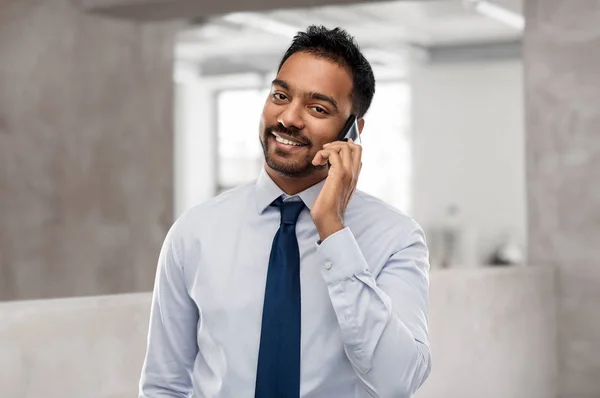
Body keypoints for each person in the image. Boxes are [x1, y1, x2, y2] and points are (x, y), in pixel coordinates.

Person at [139, 25, 431, 398]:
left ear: (352, 132)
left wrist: (333, 229)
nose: (289, 118)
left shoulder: (396, 238)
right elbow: (165, 384)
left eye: (317, 108)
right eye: (280, 95)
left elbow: (398, 381)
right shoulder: (194, 232)